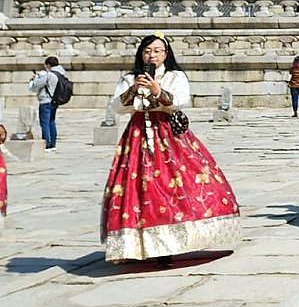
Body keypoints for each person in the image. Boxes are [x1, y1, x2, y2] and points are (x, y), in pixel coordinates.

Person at [101, 34, 239, 263]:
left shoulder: (175, 76)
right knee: (139, 187)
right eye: (147, 51)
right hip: (138, 135)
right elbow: (118, 107)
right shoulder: (130, 79)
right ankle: (142, 243)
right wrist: (133, 89)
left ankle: (172, 241)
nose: (152, 55)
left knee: (173, 183)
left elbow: (180, 101)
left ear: (166, 54)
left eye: (157, 51)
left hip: (168, 134)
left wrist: (158, 91)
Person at [29, 55, 67, 150]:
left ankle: (46, 144)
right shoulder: (60, 74)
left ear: (49, 65)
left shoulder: (49, 74)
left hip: (45, 101)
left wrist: (35, 78)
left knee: (44, 123)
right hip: (54, 100)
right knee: (51, 122)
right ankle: (53, 144)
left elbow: (36, 85)